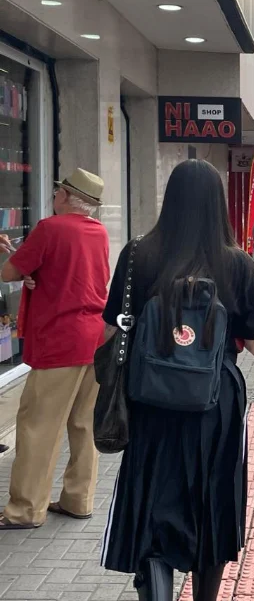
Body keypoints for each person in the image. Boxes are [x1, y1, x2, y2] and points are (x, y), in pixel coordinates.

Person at [100, 159, 254, 601]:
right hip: (216, 404)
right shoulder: (239, 263)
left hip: (150, 399)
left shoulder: (138, 253)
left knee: (155, 493)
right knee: (213, 502)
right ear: (218, 205)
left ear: (169, 199)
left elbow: (112, 328)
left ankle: (156, 585)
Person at [0, 168, 110, 530]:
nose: (54, 196)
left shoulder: (50, 228)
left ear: (66, 197)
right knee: (83, 424)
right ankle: (79, 500)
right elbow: (73, 273)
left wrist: (20, 264)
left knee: (38, 426)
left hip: (59, 340)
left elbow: (10, 273)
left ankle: (25, 509)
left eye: (59, 192)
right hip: (94, 338)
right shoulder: (98, 232)